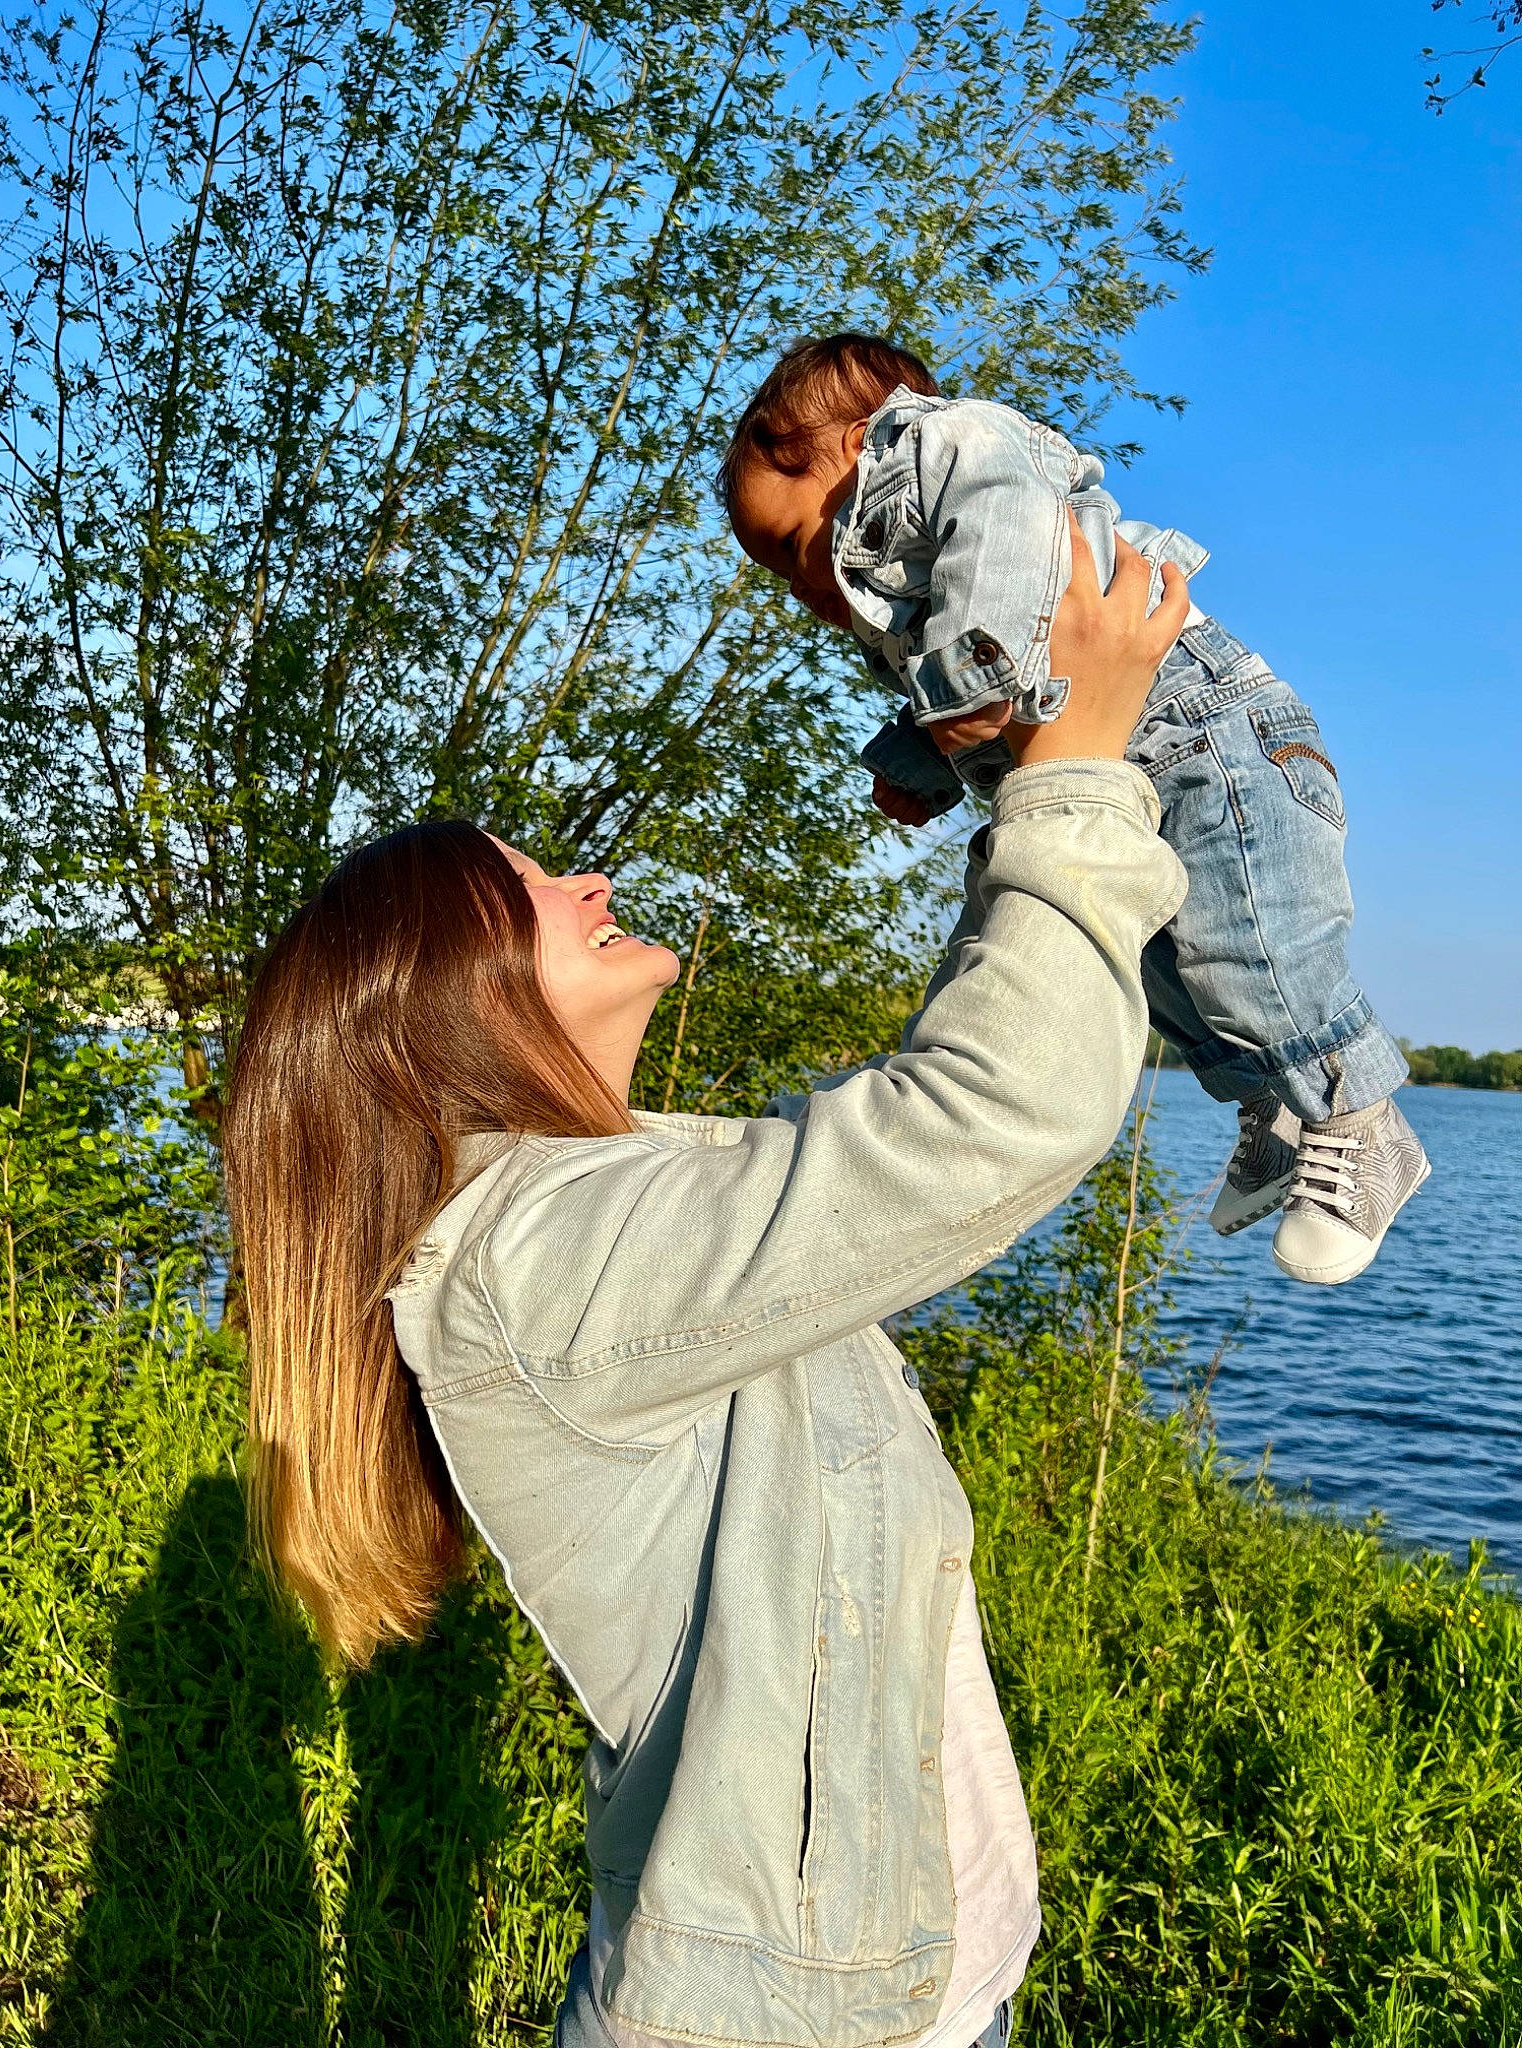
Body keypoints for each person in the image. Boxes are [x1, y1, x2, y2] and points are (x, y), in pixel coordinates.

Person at [222, 529, 1187, 2048]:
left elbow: (912, 1125)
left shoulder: (620, 1203)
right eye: (530, 889)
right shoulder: (537, 1267)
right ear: (447, 1003)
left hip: (907, 1983)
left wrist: (1018, 785)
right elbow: (991, 1115)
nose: (588, 879)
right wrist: (1077, 775)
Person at [721, 333, 1430, 1288]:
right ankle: (1276, 1110)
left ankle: (1362, 1121)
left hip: (1208, 737)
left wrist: (970, 672)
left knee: (1252, 950)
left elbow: (1008, 551)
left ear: (855, 442)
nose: (800, 586)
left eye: (790, 545)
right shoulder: (910, 587)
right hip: (1117, 773)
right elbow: (973, 694)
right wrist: (919, 764)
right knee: (1162, 968)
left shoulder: (952, 447)